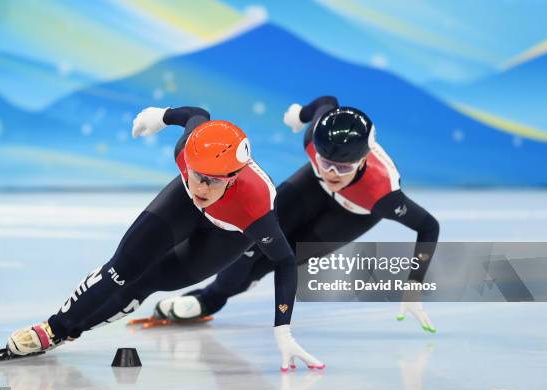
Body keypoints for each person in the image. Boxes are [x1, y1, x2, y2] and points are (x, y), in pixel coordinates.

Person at [3, 105, 323, 371]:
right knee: (121, 270)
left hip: (228, 233)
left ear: (234, 177)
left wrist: (283, 327)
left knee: (149, 281)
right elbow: (197, 114)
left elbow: (283, 260)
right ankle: (55, 329)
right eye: (197, 175)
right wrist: (160, 115)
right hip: (181, 207)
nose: (201, 187)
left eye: (212, 182)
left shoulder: (256, 207)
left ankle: (75, 327)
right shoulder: (187, 151)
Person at [154, 96, 440, 333]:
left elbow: (429, 227)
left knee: (276, 260)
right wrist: (301, 114)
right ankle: (208, 296)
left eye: (342, 168)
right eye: (325, 163)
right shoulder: (314, 141)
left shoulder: (384, 194)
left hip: (356, 211)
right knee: (254, 242)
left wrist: (414, 284)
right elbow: (327, 102)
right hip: (309, 187)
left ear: (364, 159)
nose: (331, 174)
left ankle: (212, 299)